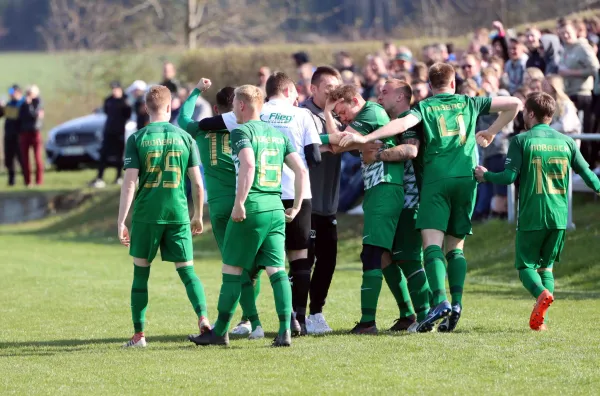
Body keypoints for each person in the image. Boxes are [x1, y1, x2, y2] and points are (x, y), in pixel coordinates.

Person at [339, 63, 521, 332]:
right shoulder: (469, 102)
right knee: (455, 247)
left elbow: (404, 127)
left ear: (431, 84)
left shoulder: (424, 108)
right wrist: (492, 131)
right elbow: (515, 103)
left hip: (435, 179)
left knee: (431, 245)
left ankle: (439, 301)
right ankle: (455, 304)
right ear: (454, 82)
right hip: (467, 177)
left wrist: (372, 139)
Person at [195, 72, 322, 336]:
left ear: (241, 105)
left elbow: (249, 165)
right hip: (276, 208)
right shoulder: (278, 135)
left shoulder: (241, 131)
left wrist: (239, 202)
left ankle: (219, 333)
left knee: (232, 268)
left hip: (252, 207)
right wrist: (297, 206)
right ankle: (286, 329)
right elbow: (301, 170)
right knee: (277, 270)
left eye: (233, 107)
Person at [475, 92, 600, 331]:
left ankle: (541, 294)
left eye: (524, 112)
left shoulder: (521, 141)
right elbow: (589, 175)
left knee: (525, 268)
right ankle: (541, 320)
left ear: (531, 113)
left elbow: (509, 177)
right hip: (559, 216)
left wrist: (485, 175)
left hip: (534, 214)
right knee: (547, 268)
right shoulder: (566, 142)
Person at [117, 85, 209, 348]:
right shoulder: (185, 138)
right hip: (178, 213)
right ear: (170, 108)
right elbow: (198, 183)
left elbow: (129, 184)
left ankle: (139, 336)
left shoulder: (137, 139)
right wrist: (198, 215)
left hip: (147, 215)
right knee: (188, 272)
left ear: (146, 108)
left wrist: (122, 220)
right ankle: (203, 318)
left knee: (141, 274)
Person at [178, 81, 265, 340]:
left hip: (219, 206)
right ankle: (248, 320)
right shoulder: (248, 129)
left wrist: (195, 92)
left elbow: (183, 118)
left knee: (233, 265)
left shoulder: (202, 131)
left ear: (216, 108)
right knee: (252, 267)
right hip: (247, 202)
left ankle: (251, 322)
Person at [323, 84, 404, 335]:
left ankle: (368, 322)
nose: (342, 117)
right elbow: (341, 145)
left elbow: (336, 145)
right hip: (378, 189)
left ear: (355, 100)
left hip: (385, 187)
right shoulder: (368, 116)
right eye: (337, 115)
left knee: (371, 254)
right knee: (382, 256)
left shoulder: (370, 112)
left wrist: (325, 116)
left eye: (342, 111)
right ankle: (409, 314)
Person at [369, 79, 432, 331]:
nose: (380, 96)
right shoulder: (388, 123)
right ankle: (407, 314)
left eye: (385, 92)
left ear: (401, 97)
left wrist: (377, 154)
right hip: (391, 200)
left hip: (411, 198)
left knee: (407, 256)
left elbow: (410, 151)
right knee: (384, 255)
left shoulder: (410, 119)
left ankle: (426, 314)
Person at [299, 66, 343, 334]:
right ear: (313, 89)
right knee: (304, 262)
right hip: (306, 202)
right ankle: (297, 314)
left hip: (329, 204)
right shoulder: (302, 115)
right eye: (328, 88)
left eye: (336, 88)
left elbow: (339, 145)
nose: (333, 93)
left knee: (328, 261)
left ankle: (316, 313)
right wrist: (331, 143)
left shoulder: (338, 116)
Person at [558, 20, 599, 165]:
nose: (565, 35)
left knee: (582, 132)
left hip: (583, 95)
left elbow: (595, 67)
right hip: (569, 95)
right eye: (562, 33)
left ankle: (587, 166)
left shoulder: (582, 47)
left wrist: (571, 72)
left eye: (567, 32)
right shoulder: (566, 49)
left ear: (575, 31)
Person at [90, 81, 132, 188]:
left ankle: (119, 177)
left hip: (120, 131)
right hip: (108, 130)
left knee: (119, 156)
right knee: (103, 154)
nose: (114, 91)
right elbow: (106, 112)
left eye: (116, 89)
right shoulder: (108, 100)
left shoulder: (125, 100)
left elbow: (128, 114)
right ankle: (100, 178)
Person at [18, 85, 44, 187]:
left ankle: (39, 181)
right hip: (24, 133)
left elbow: (34, 115)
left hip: (35, 132)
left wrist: (29, 105)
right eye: (27, 93)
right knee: (25, 158)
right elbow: (20, 117)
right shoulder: (23, 104)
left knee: (37, 158)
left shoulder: (38, 103)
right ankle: (27, 181)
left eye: (30, 93)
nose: (28, 95)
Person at [1, 85, 24, 186]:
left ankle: (26, 180)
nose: (10, 93)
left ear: (18, 92)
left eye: (12, 91)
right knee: (9, 159)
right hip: (8, 135)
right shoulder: (9, 104)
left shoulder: (23, 103)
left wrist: (7, 109)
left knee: (21, 158)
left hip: (20, 135)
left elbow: (19, 116)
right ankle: (11, 181)